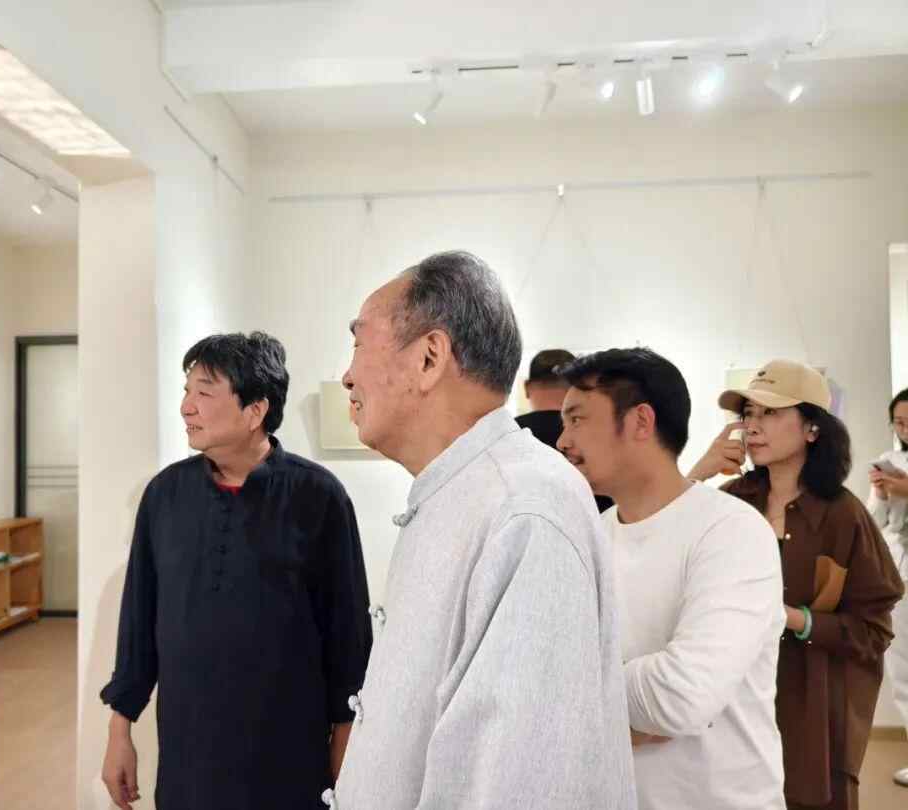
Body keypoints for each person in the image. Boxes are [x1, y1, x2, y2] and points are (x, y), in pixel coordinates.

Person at [330, 251, 636, 810]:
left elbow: (516, 784)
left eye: (358, 344)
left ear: (429, 357)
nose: (347, 376)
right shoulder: (466, 490)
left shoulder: (524, 509)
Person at [99, 332, 372, 810]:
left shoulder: (319, 496)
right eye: (187, 391)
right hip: (189, 761)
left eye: (204, 392)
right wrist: (119, 732)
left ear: (255, 410)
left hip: (287, 761)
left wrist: (347, 743)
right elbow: (138, 625)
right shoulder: (164, 496)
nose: (186, 407)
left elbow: (348, 635)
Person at [555, 348, 786, 810]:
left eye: (577, 420)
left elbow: (682, 696)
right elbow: (547, 669)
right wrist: (616, 708)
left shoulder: (730, 530)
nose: (562, 441)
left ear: (640, 422)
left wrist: (576, 695)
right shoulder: (589, 536)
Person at [689, 359, 904, 810]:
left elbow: (872, 631)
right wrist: (698, 473)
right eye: (748, 413)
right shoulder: (732, 502)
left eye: (770, 412)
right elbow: (665, 551)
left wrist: (794, 619)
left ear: (812, 428)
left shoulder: (844, 516)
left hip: (810, 710)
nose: (753, 425)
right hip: (730, 704)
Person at [867, 387, 908, 787]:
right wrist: (881, 493)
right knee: (904, 668)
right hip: (902, 575)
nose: (904, 429)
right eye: (898, 422)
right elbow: (874, 522)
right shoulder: (890, 461)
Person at [517, 348, 613, 512]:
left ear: (526, 387)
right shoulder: (599, 436)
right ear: (578, 386)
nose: (562, 443)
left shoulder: (506, 434)